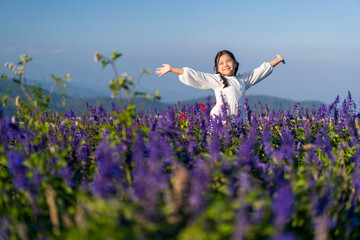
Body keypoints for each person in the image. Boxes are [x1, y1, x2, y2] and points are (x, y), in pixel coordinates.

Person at [156, 50, 285, 117]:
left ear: (235, 64)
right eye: (221, 63)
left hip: (238, 120)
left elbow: (259, 72)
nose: (225, 65)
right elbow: (198, 75)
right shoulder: (218, 80)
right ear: (217, 69)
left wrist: (278, 60)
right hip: (220, 120)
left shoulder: (242, 80)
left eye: (228, 61)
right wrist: (173, 69)